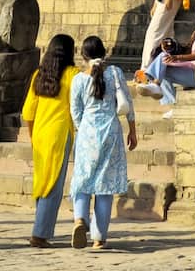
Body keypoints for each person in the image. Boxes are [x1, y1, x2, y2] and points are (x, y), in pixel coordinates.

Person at [70, 35, 137, 252]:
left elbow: (75, 111)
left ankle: (80, 219)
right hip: (111, 131)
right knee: (104, 186)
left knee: (83, 179)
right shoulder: (115, 73)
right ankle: (99, 238)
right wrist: (133, 131)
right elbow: (128, 103)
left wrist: (84, 129)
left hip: (87, 133)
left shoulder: (79, 80)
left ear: (83, 55)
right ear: (104, 52)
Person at [22, 34, 78, 248]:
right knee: (53, 184)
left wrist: (32, 136)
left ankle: (40, 225)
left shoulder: (39, 75)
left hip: (39, 134)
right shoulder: (73, 75)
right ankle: (40, 233)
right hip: (59, 134)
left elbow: (28, 112)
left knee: (42, 180)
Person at [138, 10, 195, 111]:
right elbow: (187, 51)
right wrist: (170, 47)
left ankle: (154, 84)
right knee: (163, 65)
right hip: (188, 70)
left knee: (162, 61)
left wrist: (177, 58)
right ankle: (172, 105)